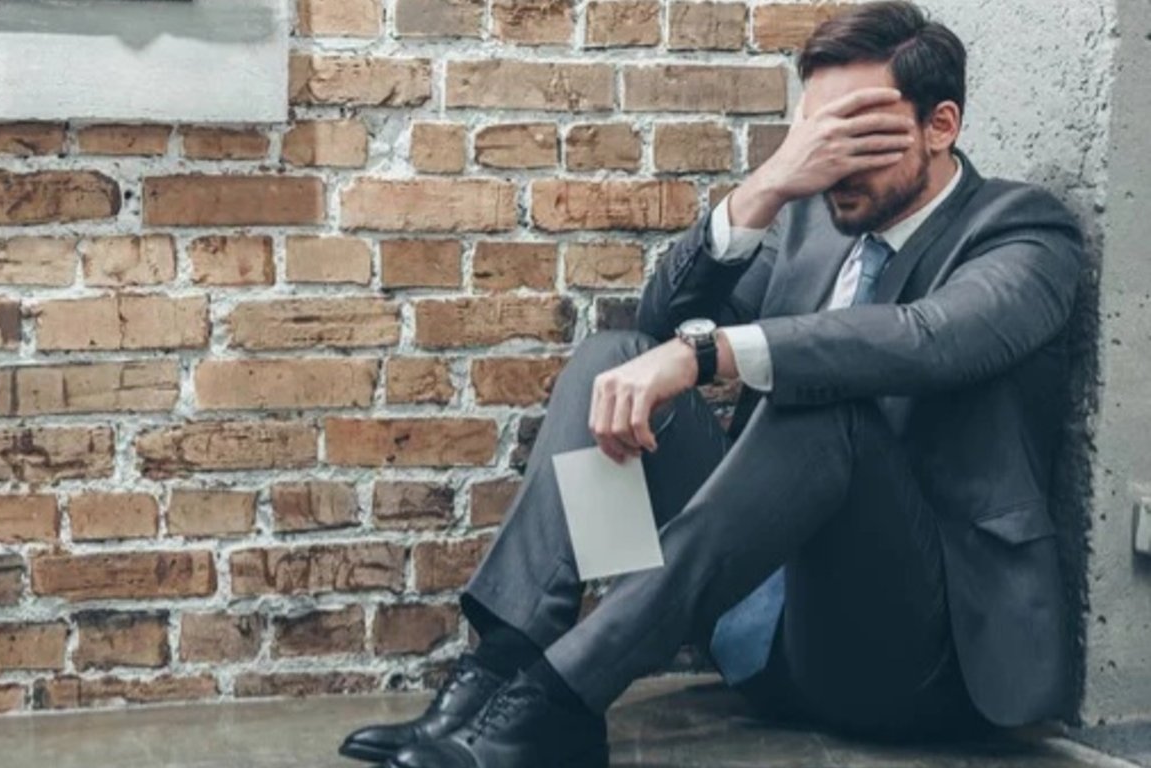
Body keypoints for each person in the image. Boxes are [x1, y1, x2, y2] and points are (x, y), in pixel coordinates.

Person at [339, 2, 1084, 766]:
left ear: (940, 125)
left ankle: (561, 699)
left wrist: (705, 355)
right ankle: (500, 677)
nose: (832, 160)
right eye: (817, 132)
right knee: (612, 359)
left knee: (825, 408)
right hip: (760, 632)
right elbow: (663, 323)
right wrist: (767, 186)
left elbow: (927, 340)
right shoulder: (811, 224)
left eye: (857, 133)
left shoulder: (1023, 232)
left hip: (912, 660)